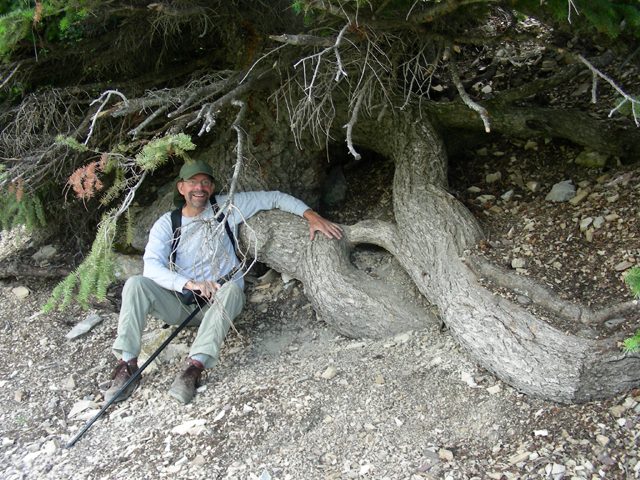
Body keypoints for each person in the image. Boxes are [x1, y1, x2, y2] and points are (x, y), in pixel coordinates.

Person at [106, 160, 343, 404]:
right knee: (135, 283)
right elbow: (151, 267)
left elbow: (273, 198)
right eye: (193, 182)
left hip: (221, 301)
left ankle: (193, 368)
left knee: (231, 288)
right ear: (181, 188)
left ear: (212, 187)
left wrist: (311, 215)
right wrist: (188, 284)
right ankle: (127, 364)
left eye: (206, 182)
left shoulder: (226, 208)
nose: (200, 188)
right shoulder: (168, 223)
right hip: (182, 302)